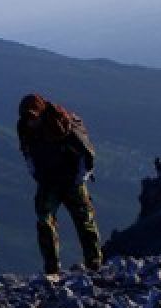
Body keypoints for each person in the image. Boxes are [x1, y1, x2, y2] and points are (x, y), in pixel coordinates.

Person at [16, 93, 102, 275]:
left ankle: (94, 263)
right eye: (27, 117)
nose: (30, 121)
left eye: (33, 117)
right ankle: (52, 268)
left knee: (84, 221)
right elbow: (27, 151)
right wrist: (35, 171)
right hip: (49, 181)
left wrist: (81, 177)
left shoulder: (62, 125)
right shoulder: (24, 127)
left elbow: (87, 153)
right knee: (45, 221)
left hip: (71, 181)